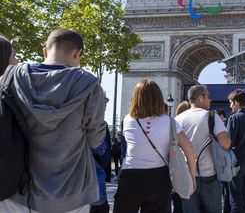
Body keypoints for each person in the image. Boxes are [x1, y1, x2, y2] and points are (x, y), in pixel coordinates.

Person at [0, 28, 106, 213]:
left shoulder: (13, 77)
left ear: (45, 51)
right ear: (77, 53)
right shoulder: (89, 84)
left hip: (19, 190)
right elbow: (96, 140)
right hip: (72, 194)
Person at [113, 79, 196, 213]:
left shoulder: (128, 120)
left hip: (131, 176)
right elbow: (189, 149)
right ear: (159, 98)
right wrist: (191, 176)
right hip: (159, 177)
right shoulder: (169, 122)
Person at [175, 85, 231, 213]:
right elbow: (226, 144)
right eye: (208, 97)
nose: (210, 100)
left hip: (186, 175)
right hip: (208, 174)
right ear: (200, 98)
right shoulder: (211, 117)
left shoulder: (177, 119)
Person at [90, 93, 112, 213]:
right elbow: (101, 150)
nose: (105, 104)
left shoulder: (102, 123)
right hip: (93, 181)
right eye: (104, 100)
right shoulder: (97, 124)